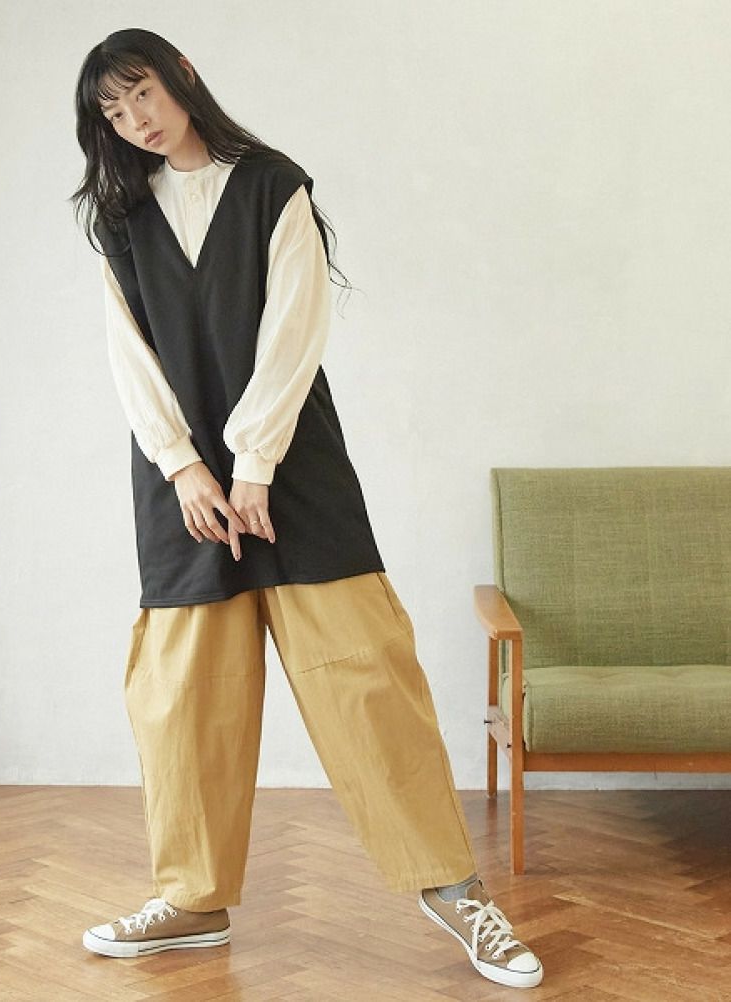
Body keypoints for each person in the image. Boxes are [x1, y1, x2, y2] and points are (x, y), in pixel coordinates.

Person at [70, 28, 544, 991]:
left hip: (293, 468)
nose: (135, 121)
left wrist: (252, 463)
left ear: (183, 75)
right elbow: (130, 356)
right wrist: (184, 468)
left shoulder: (272, 186)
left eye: (142, 93)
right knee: (184, 696)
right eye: (113, 113)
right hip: (183, 485)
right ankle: (193, 898)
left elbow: (296, 329)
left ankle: (455, 891)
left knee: (366, 676)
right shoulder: (119, 220)